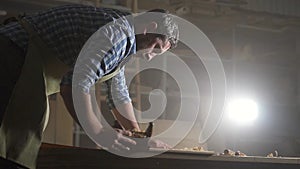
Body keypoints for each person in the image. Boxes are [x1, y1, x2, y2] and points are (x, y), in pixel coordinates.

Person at [0, 4, 179, 169]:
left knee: (25, 130)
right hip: (13, 52)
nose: (150, 57)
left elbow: (118, 93)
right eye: (155, 48)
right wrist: (99, 132)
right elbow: (73, 86)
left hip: (22, 58)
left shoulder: (125, 37)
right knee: (16, 131)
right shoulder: (117, 35)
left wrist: (139, 138)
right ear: (150, 27)